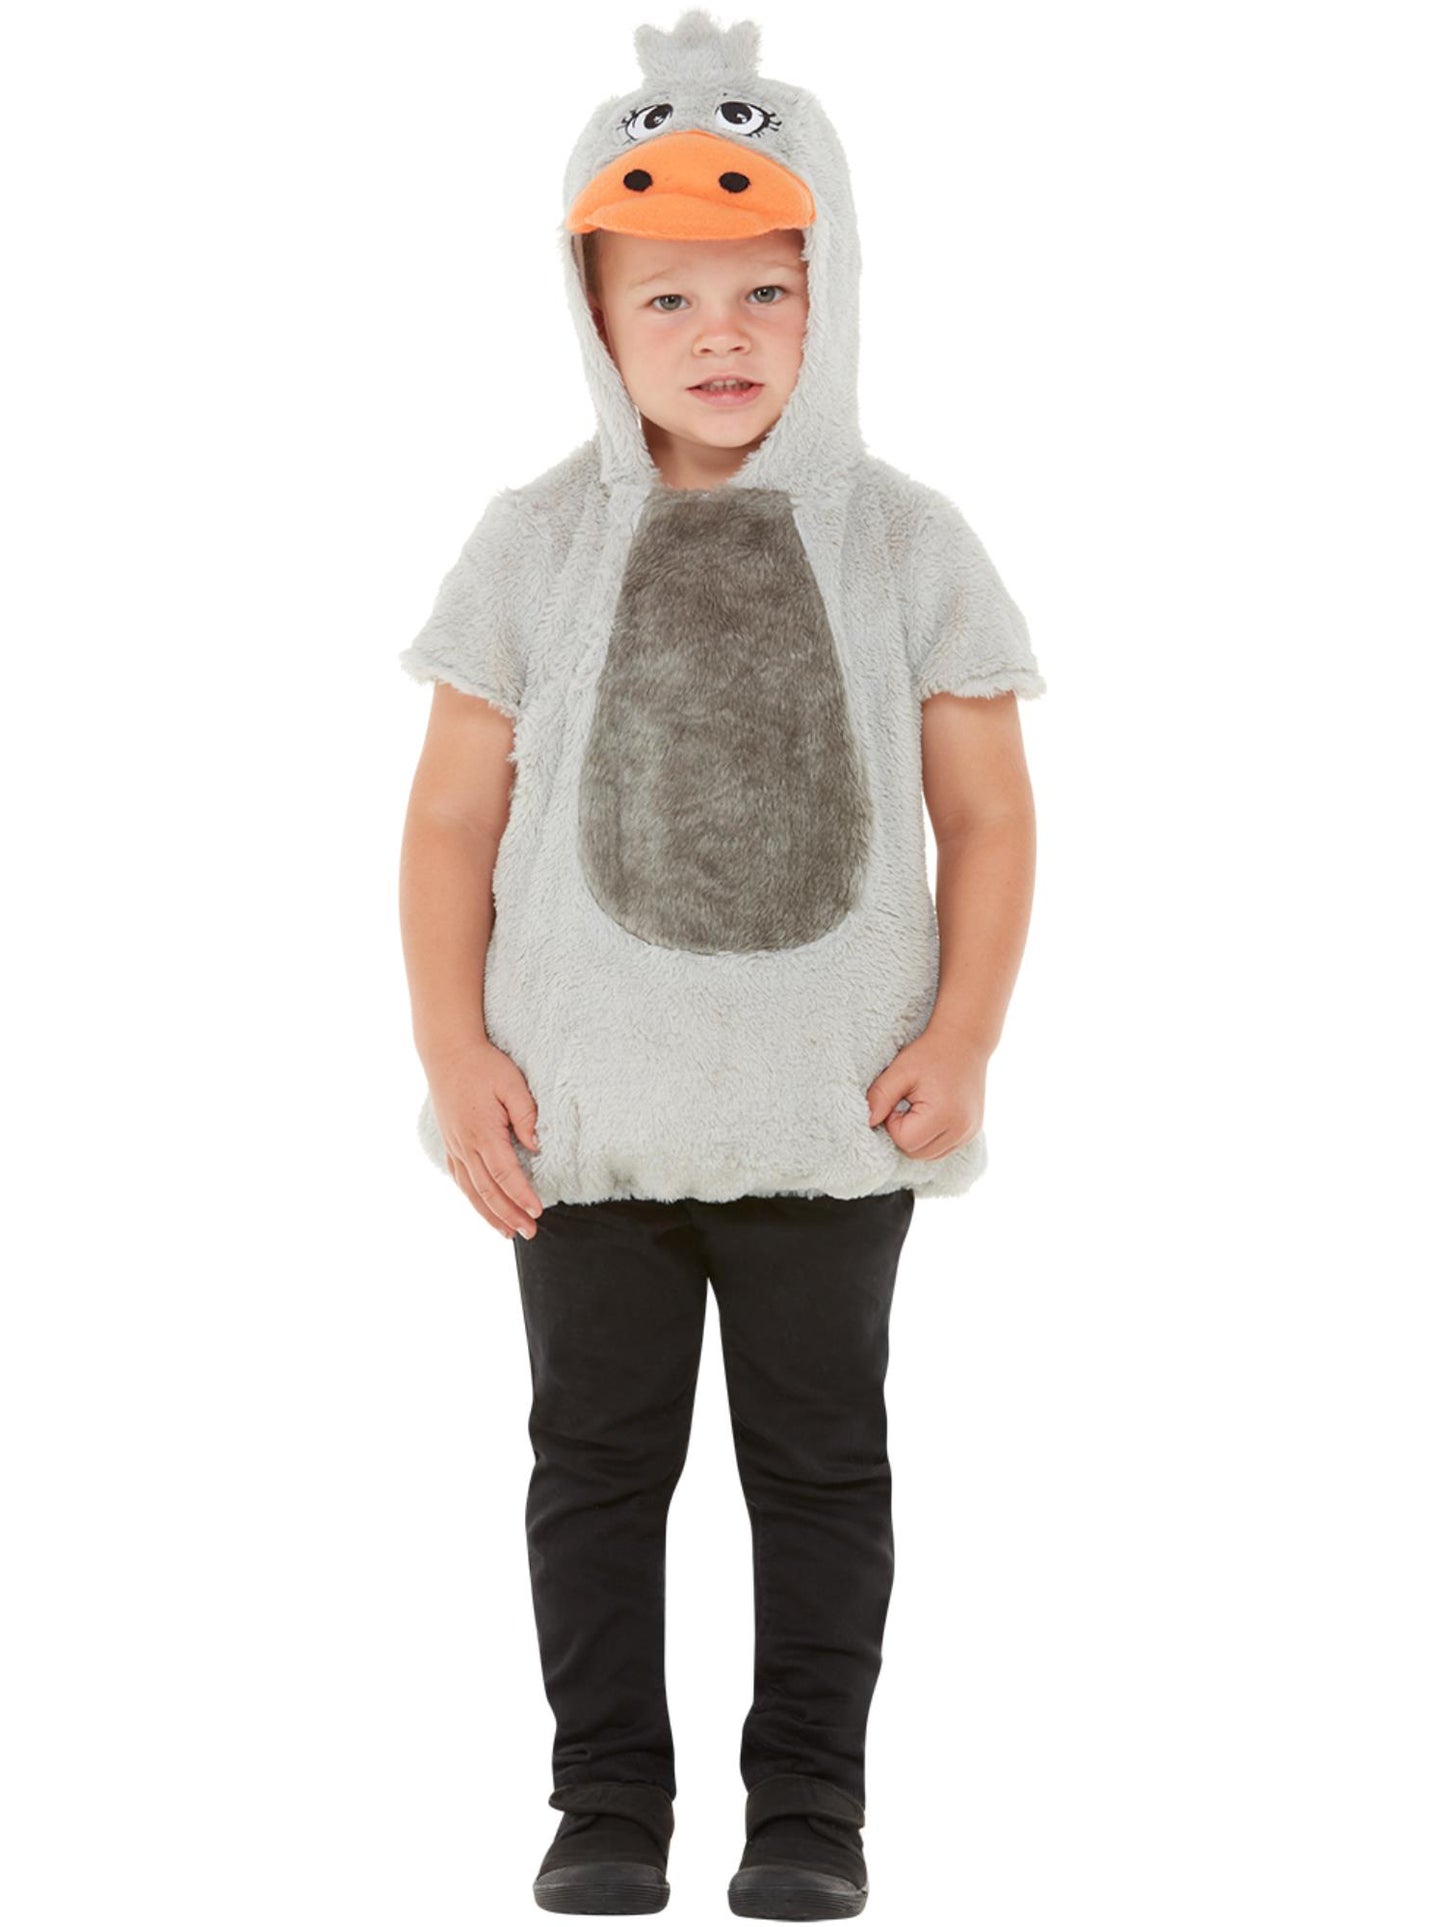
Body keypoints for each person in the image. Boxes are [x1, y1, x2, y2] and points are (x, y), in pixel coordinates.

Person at [396, 11, 1046, 1918]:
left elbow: (987, 818)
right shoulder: (532, 543)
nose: (722, 335)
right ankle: (604, 1805)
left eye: (768, 287)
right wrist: (452, 1050)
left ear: (832, 293)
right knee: (594, 1467)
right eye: (667, 297)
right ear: (593, 317)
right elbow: (446, 823)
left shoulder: (906, 541)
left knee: (821, 1471)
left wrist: (964, 1035)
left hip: (831, 1117)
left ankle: (809, 1816)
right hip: (579, 1119)